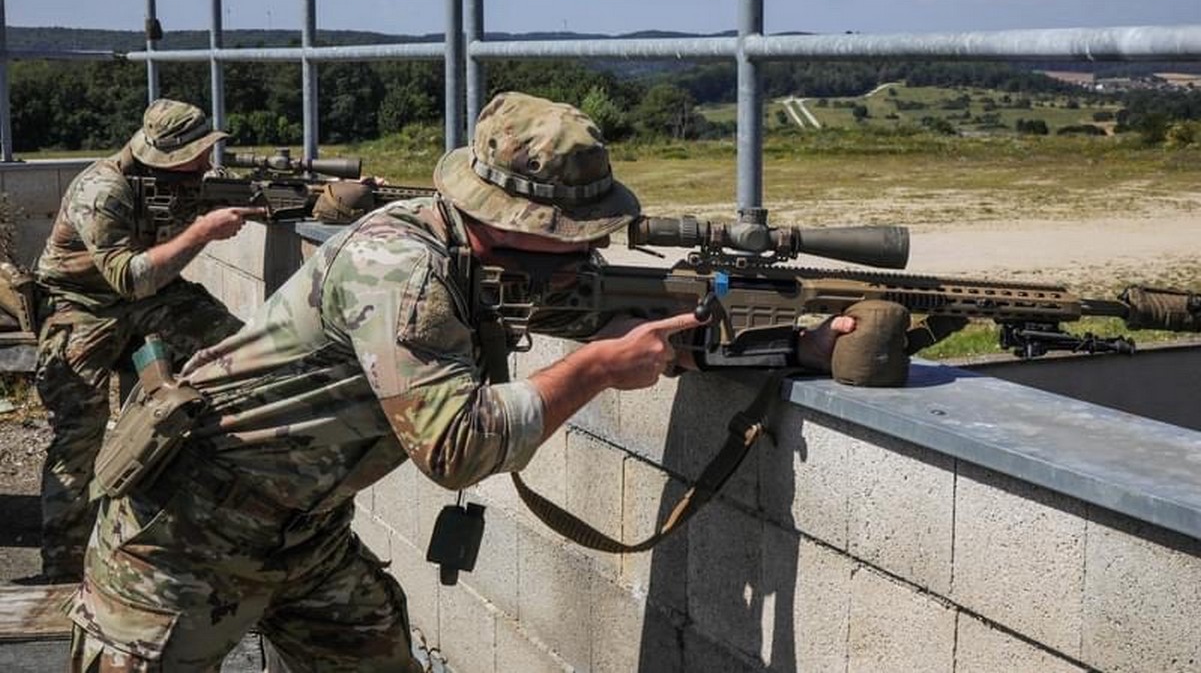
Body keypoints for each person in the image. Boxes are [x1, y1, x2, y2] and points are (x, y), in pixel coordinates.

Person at [66, 92, 858, 672]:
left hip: (300, 536)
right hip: (178, 542)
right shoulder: (400, 271)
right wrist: (591, 371)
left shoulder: (478, 258)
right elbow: (456, 449)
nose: (579, 257)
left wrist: (798, 343)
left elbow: (619, 319)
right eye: (567, 239)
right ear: (509, 218)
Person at [33, 98, 259, 582]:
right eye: (198, 154)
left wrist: (343, 198)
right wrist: (201, 231)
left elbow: (272, 198)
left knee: (241, 349)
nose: (207, 163)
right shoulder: (103, 190)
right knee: (79, 434)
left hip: (149, 297)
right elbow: (128, 278)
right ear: (169, 155)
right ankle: (65, 568)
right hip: (82, 306)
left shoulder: (184, 181)